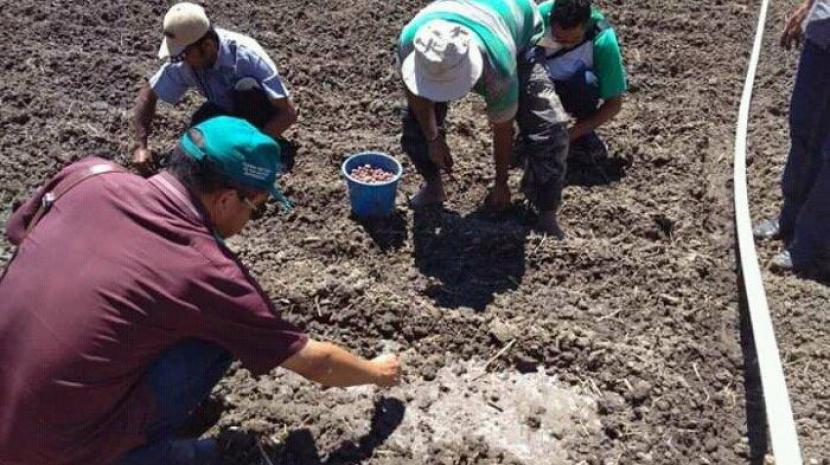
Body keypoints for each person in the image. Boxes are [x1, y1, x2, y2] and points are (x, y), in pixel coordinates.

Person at [0, 117, 401, 465]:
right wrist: (377, 372)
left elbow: (19, 232)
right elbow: (314, 363)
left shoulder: (88, 175)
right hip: (54, 453)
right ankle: (147, 452)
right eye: (254, 208)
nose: (250, 219)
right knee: (218, 346)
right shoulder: (206, 271)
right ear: (227, 199)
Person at [398, 0, 570, 237]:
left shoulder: (498, 67)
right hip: (474, 16)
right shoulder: (411, 43)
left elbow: (503, 127)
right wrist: (433, 137)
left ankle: (545, 212)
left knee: (549, 126)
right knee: (414, 122)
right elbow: (415, 94)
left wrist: (501, 182)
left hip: (519, 33)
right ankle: (434, 188)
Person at [132, 2, 298, 175]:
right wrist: (140, 146)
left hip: (259, 118)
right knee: (196, 137)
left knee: (246, 93)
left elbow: (288, 113)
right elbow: (149, 93)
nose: (180, 61)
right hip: (226, 111)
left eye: (183, 55)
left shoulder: (247, 57)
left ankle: (274, 150)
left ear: (207, 46)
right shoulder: (186, 62)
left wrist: (249, 149)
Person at [753, 0, 830, 277]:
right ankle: (790, 217)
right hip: (824, 29)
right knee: (804, 125)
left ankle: (811, 244)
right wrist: (809, 6)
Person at [537, 0, 626, 161]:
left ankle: (583, 129)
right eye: (559, 39)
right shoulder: (538, 18)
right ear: (552, 18)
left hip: (575, 90)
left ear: (586, 24)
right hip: (540, 85)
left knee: (587, 83)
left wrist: (570, 135)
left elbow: (614, 104)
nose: (567, 45)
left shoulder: (603, 39)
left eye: (574, 39)